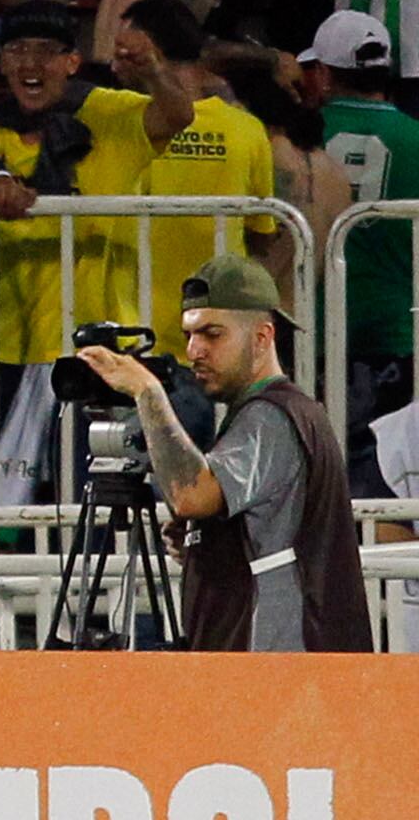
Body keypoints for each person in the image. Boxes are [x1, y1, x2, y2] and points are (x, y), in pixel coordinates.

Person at [74, 253, 369, 653]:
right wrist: (206, 542)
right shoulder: (268, 414)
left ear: (262, 337)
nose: (194, 350)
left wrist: (146, 392)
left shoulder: (272, 416)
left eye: (213, 334)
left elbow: (192, 494)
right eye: (189, 335)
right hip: (268, 666)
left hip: (276, 671)